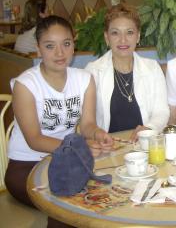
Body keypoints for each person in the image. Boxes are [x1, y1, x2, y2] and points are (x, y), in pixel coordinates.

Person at [5, 15, 114, 226]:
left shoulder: (83, 79)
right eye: (50, 46)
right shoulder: (25, 85)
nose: (59, 53)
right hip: (26, 166)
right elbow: (34, 139)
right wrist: (78, 149)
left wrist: (97, 133)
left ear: (74, 45)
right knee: (66, 205)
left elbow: (87, 124)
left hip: (66, 162)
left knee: (101, 198)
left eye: (66, 44)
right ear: (38, 49)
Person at [85, 4, 169, 140]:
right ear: (107, 37)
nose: (123, 39)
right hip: (108, 147)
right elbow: (87, 122)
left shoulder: (152, 68)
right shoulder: (93, 71)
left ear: (138, 36)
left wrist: (149, 128)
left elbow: (162, 111)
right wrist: (98, 136)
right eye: (115, 33)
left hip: (145, 144)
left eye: (129, 32)